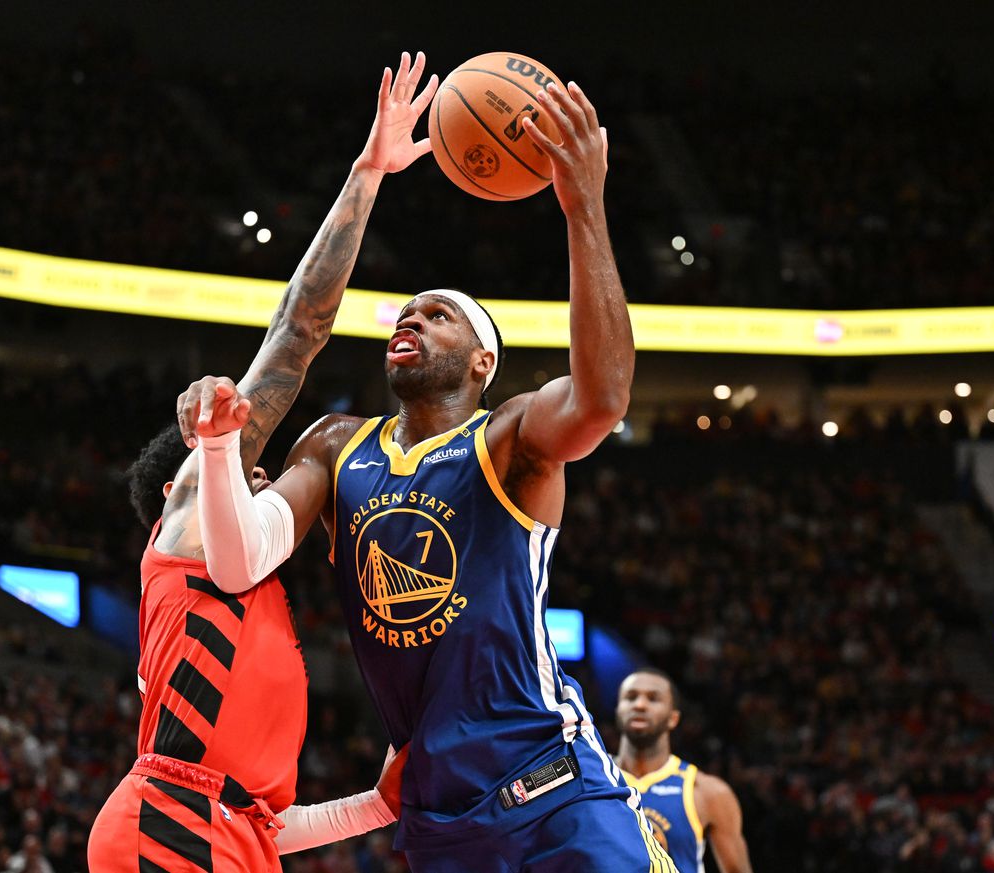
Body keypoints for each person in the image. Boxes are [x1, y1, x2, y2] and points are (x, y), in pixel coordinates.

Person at [186, 76, 676, 872]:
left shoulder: (510, 436)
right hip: (439, 814)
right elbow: (240, 556)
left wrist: (584, 207)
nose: (412, 318)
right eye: (406, 311)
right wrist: (214, 448)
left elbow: (602, 397)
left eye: (438, 313)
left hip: (554, 788)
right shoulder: (335, 444)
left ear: (483, 361)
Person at [88, 50, 438, 873]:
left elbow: (264, 821)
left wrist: (377, 805)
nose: (263, 468)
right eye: (251, 464)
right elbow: (295, 333)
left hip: (220, 832)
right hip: (168, 819)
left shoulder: (256, 595)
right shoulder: (186, 532)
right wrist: (368, 174)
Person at [615, 669, 752, 873]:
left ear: (673, 718)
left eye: (653, 699)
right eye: (631, 697)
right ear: (618, 710)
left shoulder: (708, 791)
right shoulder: (591, 778)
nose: (640, 705)